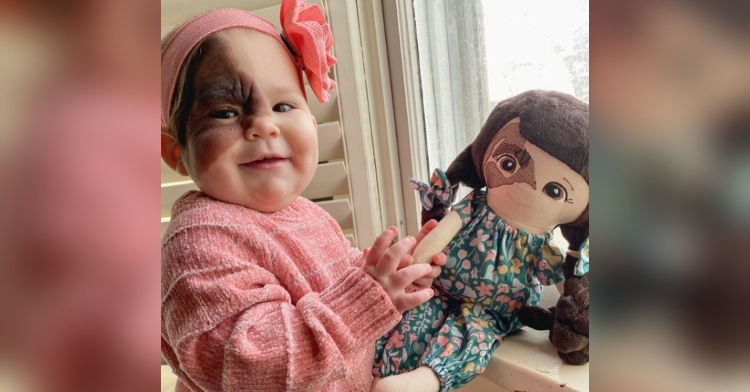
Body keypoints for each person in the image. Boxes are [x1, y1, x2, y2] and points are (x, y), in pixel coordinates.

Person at [159, 2, 444, 391]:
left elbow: (337, 293)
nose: (262, 125)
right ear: (176, 152)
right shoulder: (199, 242)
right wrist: (366, 298)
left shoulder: (304, 213)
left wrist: (392, 277)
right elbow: (248, 366)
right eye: (225, 112)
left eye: (282, 105)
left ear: (311, 122)